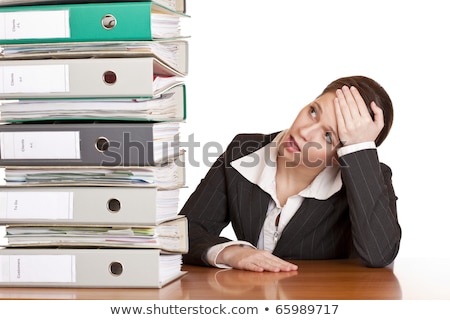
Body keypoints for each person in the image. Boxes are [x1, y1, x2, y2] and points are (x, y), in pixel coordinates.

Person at [180, 75, 401, 272]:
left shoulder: (370, 178)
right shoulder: (243, 151)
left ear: (340, 154)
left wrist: (358, 150)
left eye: (327, 136)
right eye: (313, 112)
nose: (304, 132)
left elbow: (379, 255)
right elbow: (182, 231)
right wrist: (230, 252)